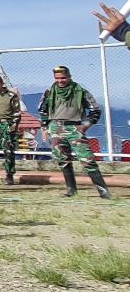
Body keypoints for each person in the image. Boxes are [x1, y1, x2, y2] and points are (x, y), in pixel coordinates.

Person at [38, 65, 111, 199]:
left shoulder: (80, 91)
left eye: (63, 78)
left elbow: (95, 110)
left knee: (87, 159)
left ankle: (103, 190)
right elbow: (42, 110)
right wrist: (46, 127)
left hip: (75, 128)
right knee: (62, 159)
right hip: (56, 128)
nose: (60, 81)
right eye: (57, 78)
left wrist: (85, 126)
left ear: (69, 77)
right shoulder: (49, 92)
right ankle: (71, 189)